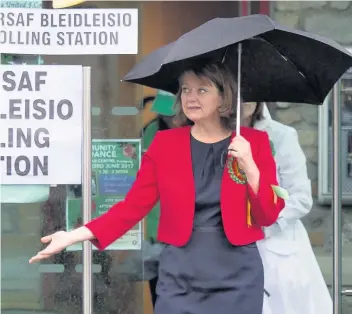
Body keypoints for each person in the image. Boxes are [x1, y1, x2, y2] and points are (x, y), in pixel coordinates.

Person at [29, 62, 285, 314]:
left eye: (202, 90)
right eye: (185, 89)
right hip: (180, 274)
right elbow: (133, 207)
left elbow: (268, 215)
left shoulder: (254, 143)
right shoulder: (165, 144)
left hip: (237, 276)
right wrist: (74, 235)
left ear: (223, 98)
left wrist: (250, 166)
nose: (191, 97)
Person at [242, 102, 332, 314]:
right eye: (237, 91)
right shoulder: (216, 138)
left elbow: (299, 196)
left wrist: (268, 216)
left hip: (278, 252)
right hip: (232, 249)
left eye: (250, 92)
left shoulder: (281, 135)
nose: (244, 98)